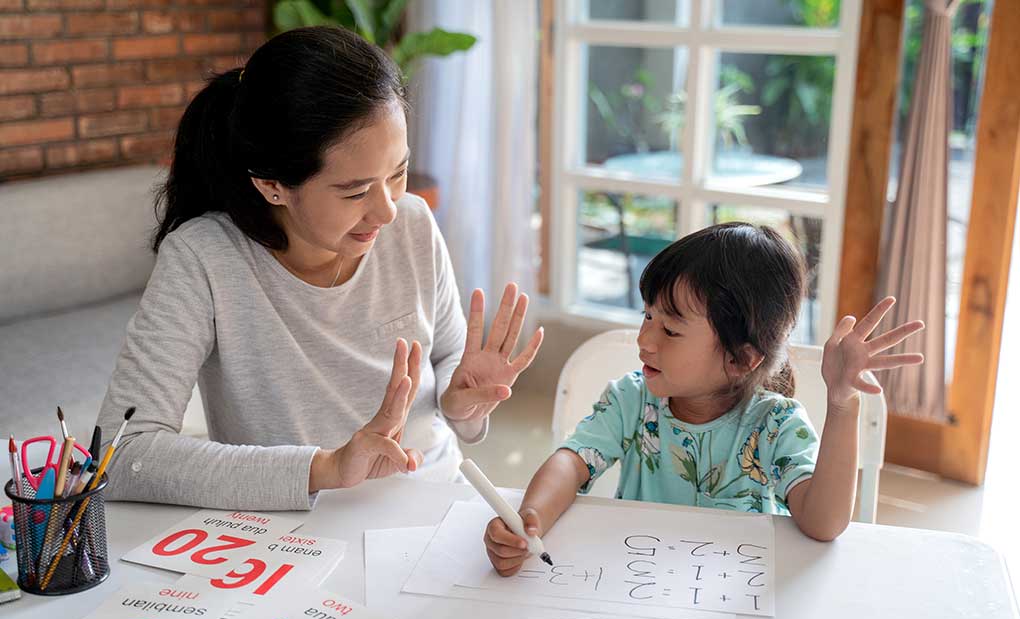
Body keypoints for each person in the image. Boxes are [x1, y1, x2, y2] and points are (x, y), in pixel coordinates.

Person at [96, 26, 542, 510]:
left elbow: (450, 362)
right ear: (272, 186)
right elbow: (122, 455)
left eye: (397, 173)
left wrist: (463, 403)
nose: (388, 210)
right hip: (294, 535)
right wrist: (325, 468)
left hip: (434, 504)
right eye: (355, 192)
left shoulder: (411, 221)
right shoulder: (204, 258)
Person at [484, 223, 925, 575]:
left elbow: (824, 523)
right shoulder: (632, 400)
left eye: (670, 330)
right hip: (631, 588)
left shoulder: (775, 424)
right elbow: (571, 460)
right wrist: (531, 516)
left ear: (740, 359)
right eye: (648, 315)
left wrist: (843, 401)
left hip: (732, 612)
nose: (645, 340)